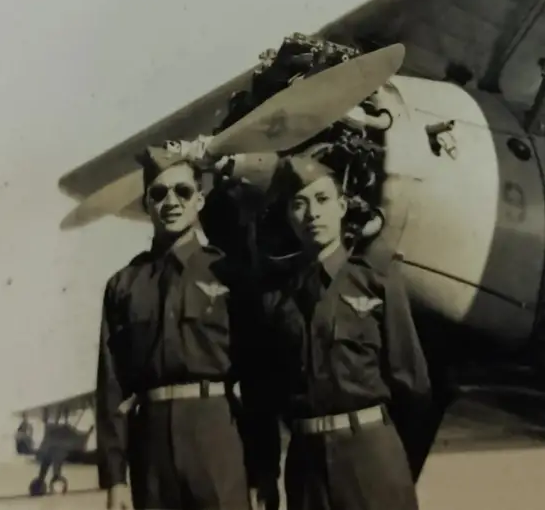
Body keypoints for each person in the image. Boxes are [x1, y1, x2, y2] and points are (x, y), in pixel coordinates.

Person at [95, 144, 279, 510]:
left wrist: (265, 472)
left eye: (183, 191)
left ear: (200, 200)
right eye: (159, 194)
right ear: (146, 204)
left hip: (215, 435)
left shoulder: (229, 274)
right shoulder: (124, 285)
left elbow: (258, 382)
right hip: (151, 447)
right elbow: (111, 388)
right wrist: (115, 477)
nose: (171, 202)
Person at [251, 153, 431, 510]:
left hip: (371, 457)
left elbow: (414, 387)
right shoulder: (276, 299)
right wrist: (265, 473)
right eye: (299, 204)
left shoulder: (377, 280)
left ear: (342, 206)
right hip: (306, 467)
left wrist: (392, 462)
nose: (313, 213)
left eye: (322, 200)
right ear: (289, 216)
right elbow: (265, 397)